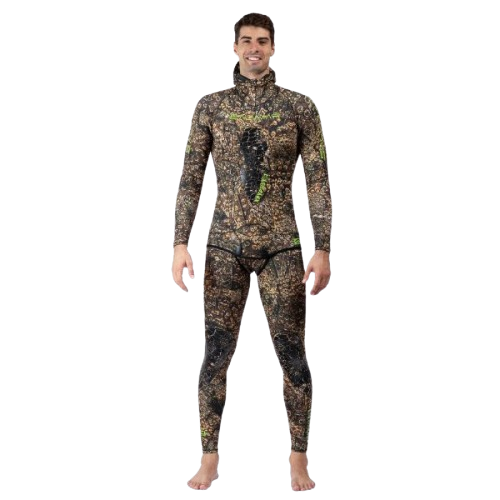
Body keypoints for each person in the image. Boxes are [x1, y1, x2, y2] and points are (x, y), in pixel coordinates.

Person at [171, 12, 332, 492]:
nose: (254, 48)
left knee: (293, 354)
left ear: (274, 48)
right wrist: (180, 242)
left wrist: (323, 248)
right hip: (224, 245)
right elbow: (190, 178)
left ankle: (298, 457)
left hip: (283, 245)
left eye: (263, 41)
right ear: (235, 47)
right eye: (247, 41)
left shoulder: (299, 106)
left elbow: (318, 181)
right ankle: (208, 457)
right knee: (215, 354)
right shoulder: (211, 106)